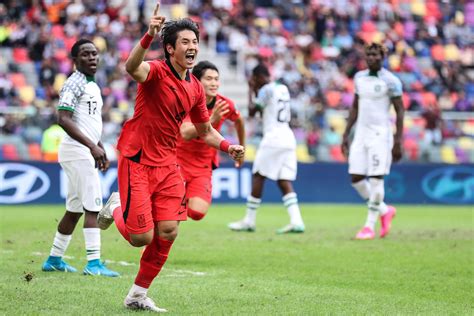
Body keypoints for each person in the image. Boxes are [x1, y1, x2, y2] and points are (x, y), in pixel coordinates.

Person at [96, 5, 244, 313]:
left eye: (194, 42)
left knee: (168, 231)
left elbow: (205, 130)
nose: (192, 47)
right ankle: (115, 205)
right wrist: (148, 35)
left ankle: (137, 295)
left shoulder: (194, 88)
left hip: (167, 164)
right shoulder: (155, 71)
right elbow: (131, 67)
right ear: (170, 48)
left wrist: (228, 146)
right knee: (140, 237)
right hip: (137, 158)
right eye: (185, 42)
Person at [41, 39, 119, 277]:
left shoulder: (92, 84)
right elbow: (62, 119)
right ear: (74, 60)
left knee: (74, 209)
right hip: (77, 150)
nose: (92, 58)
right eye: (86, 54)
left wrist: (98, 146)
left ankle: (54, 259)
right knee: (93, 207)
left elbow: (87, 122)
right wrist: (91, 147)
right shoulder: (74, 82)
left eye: (95, 54)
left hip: (83, 149)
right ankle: (94, 264)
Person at [228, 64, 305, 234]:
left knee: (258, 175)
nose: (254, 84)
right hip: (288, 136)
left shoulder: (265, 90)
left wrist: (250, 90)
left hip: (273, 138)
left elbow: (251, 111)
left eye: (254, 81)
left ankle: (249, 220)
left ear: (258, 78)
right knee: (283, 179)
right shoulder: (282, 88)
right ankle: (297, 221)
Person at [341, 42, 404, 240]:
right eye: (369, 54)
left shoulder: (391, 81)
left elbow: (400, 110)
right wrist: (345, 134)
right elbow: (355, 107)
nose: (372, 58)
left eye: (376, 55)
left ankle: (369, 226)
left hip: (380, 135)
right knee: (356, 179)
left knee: (376, 180)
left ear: (383, 57)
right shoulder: (359, 78)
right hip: (361, 134)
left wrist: (398, 139)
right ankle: (385, 211)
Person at [177, 60, 245, 221]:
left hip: (203, 164)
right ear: (197, 81)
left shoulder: (223, 103)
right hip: (177, 161)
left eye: (216, 79)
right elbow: (185, 133)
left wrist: (243, 149)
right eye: (209, 79)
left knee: (197, 213)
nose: (214, 83)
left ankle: (171, 205)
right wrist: (211, 119)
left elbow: (239, 121)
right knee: (172, 217)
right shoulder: (187, 101)